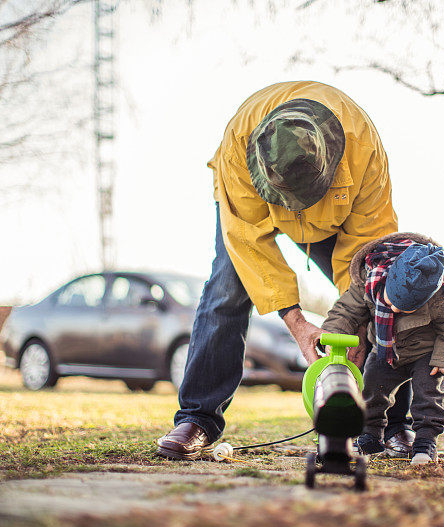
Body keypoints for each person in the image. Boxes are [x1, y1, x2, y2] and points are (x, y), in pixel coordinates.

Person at [156, 81, 414, 460]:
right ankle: (198, 418)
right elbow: (249, 244)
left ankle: (394, 423)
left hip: (339, 218)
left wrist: (356, 321)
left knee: (383, 291)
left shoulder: (363, 149)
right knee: (226, 289)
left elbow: (366, 252)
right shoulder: (237, 146)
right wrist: (296, 322)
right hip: (252, 213)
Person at [322, 232, 444, 464]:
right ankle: (369, 435)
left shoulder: (442, 295)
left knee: (429, 393)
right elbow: (345, 311)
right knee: (371, 388)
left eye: (404, 308)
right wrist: (333, 334)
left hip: (425, 353)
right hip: (384, 348)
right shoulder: (369, 279)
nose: (394, 310)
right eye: (391, 302)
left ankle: (425, 441)